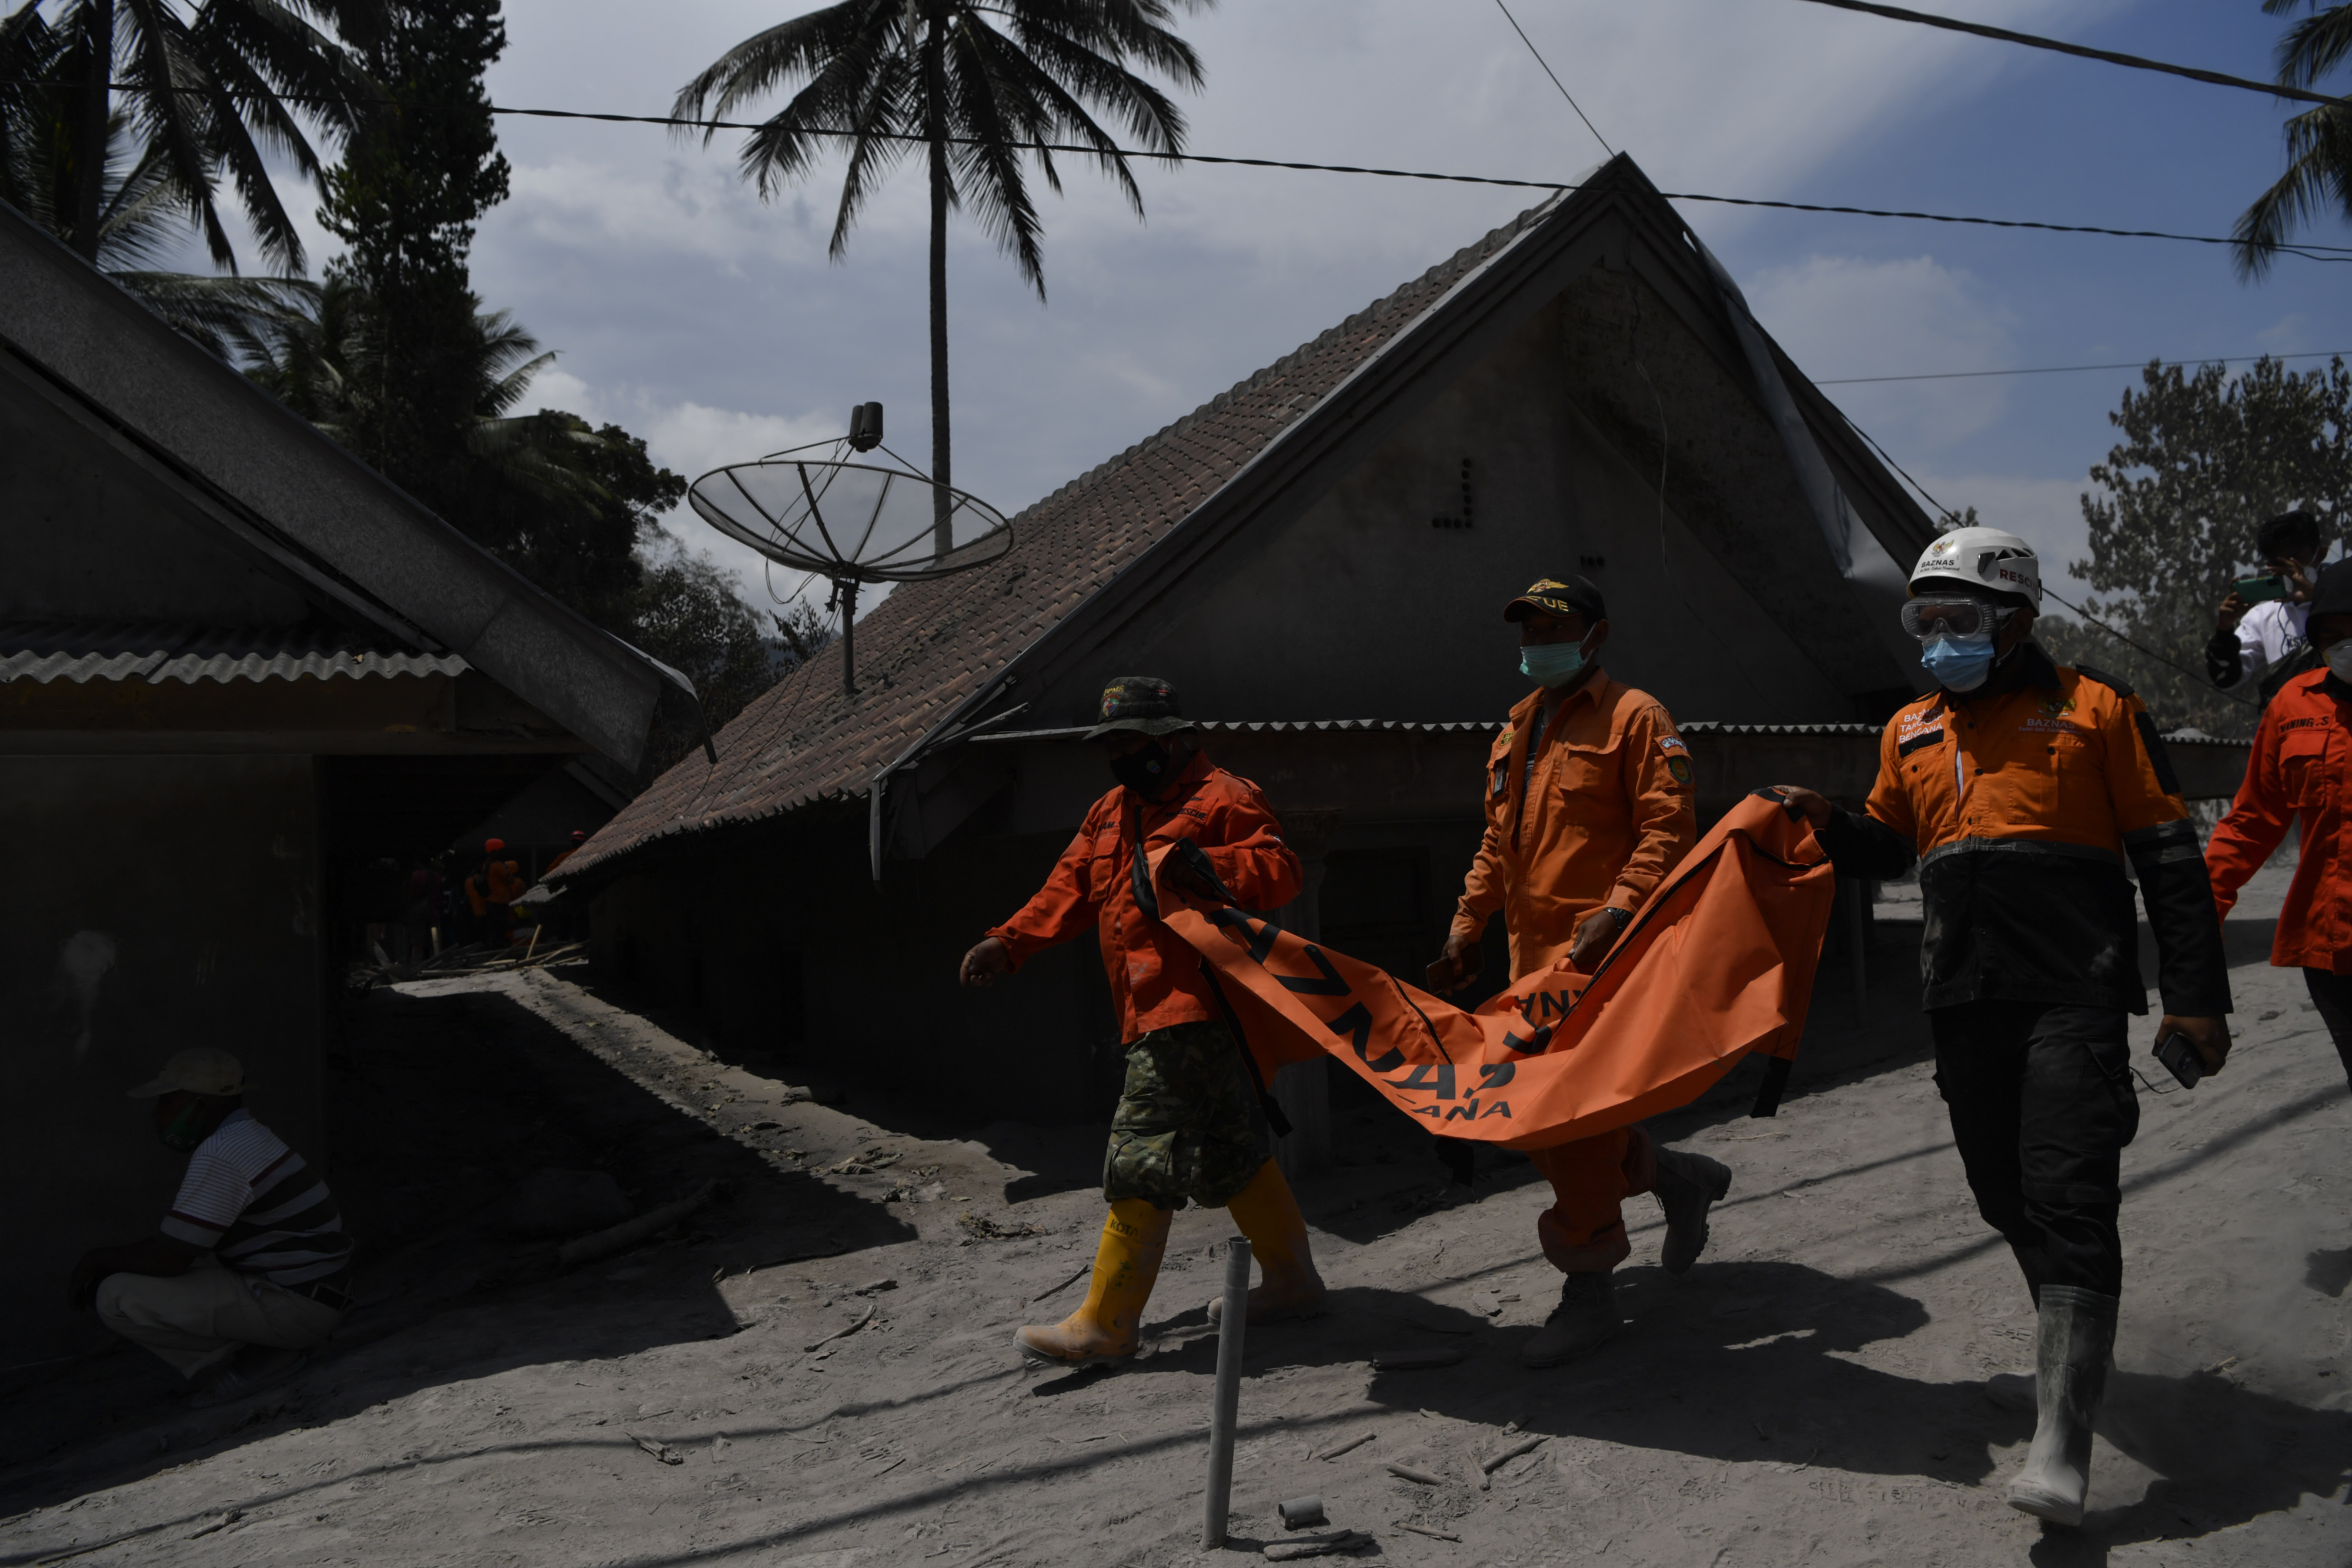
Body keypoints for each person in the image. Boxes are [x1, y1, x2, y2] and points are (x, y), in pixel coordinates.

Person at [1776, 525, 2231, 1527]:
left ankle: (2063, 1439)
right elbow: (1892, 847)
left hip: (2074, 992)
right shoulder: (1909, 731)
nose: (1939, 639)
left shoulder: (2100, 711)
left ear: (2019, 621)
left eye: (1962, 619)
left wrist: (2199, 995)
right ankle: (2063, 1362)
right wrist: (1821, 820)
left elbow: (2168, 860)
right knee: (2002, 1191)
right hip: (1963, 998)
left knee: (2069, 1188)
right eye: (1924, 621)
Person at [960, 676, 1318, 1367]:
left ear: (1176, 739)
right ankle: (1293, 1281)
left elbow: (1282, 870)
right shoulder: (1110, 812)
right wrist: (1009, 943)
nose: (1123, 754)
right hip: (1147, 1010)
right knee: (1228, 1153)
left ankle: (1106, 1324)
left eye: (1135, 741)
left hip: (1198, 1009)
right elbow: (1067, 887)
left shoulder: (1224, 798)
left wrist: (1203, 863)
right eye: (1114, 743)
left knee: (1140, 1155)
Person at [1424, 575, 1731, 1369]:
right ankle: (1676, 1175)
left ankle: (1591, 1288)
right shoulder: (1515, 731)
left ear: (1595, 634)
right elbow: (1497, 846)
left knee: (1575, 1123)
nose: (1537, 644)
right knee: (1537, 1124)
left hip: (1604, 960)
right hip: (1531, 971)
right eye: (1527, 631)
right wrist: (1467, 925)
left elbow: (1670, 828)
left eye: (1554, 627)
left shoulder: (1637, 716)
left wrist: (1622, 908)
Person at [67, 1048, 354, 1405]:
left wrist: (94, 1260)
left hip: (298, 1309)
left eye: (166, 1102)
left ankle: (264, 1355)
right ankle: (272, 1346)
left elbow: (169, 1258)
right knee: (178, 1266)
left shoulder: (221, 1155)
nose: (157, 1113)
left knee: (114, 1296)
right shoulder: (248, 1137)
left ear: (199, 1107)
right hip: (312, 1296)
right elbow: (180, 1242)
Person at [2206, 558, 2352, 1091]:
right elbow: (2252, 820)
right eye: (2332, 635)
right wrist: (2201, 914)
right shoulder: (2293, 704)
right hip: (2332, 950)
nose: (2344, 645)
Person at [2209, 510, 2335, 703]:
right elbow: (2226, 679)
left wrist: (2318, 598)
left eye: (2294, 558)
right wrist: (2224, 632)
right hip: (2292, 724)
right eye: (2279, 563)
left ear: (2321, 554)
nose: (2289, 569)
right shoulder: (2262, 617)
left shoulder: (2344, 596)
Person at [465, 837, 525, 945]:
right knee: (500, 933)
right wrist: (507, 869)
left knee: (494, 932)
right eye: (500, 850)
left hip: (492, 903)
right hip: (499, 904)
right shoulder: (498, 866)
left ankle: (493, 951)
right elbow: (511, 880)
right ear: (495, 851)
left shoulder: (486, 866)